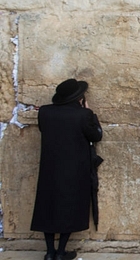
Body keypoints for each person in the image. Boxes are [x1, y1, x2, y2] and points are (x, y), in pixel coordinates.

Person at [31, 78, 103, 260]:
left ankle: (49, 252)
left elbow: (45, 130)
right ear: (79, 98)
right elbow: (96, 135)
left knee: (48, 207)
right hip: (74, 170)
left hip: (50, 168)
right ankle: (61, 251)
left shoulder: (45, 112)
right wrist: (89, 113)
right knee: (69, 208)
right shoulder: (82, 115)